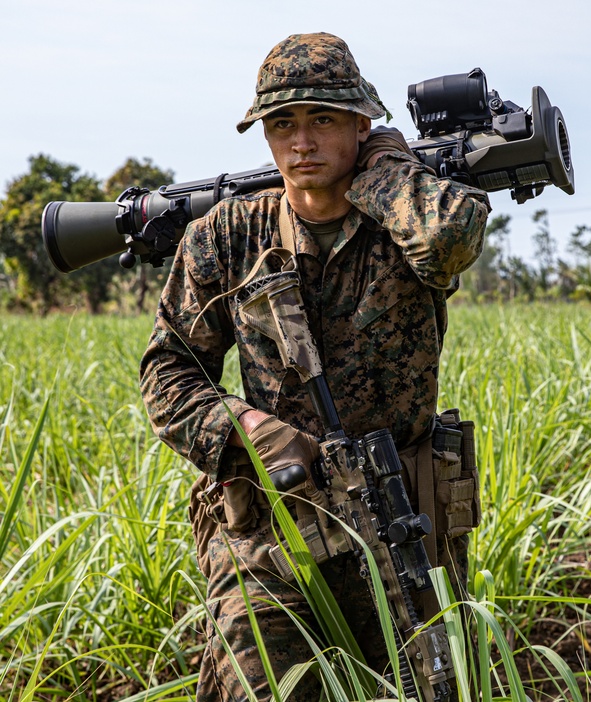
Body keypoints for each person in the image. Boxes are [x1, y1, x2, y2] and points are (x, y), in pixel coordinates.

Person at [139, 32, 490, 701]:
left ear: (362, 123)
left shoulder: (409, 218)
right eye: (281, 124)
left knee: (432, 689)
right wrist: (249, 431)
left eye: (323, 120)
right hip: (275, 522)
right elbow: (168, 375)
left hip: (400, 515)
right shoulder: (226, 234)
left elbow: (449, 238)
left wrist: (386, 166)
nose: (300, 143)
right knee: (259, 687)